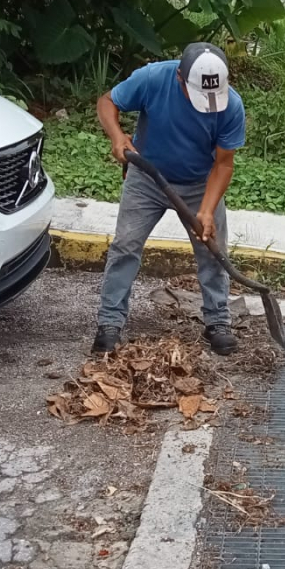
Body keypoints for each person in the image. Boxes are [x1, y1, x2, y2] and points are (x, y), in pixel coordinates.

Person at [91, 42, 244, 356]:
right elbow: (107, 102)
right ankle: (110, 322)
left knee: (213, 253)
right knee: (125, 246)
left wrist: (206, 210)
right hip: (147, 178)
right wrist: (118, 136)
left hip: (199, 183)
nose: (210, 105)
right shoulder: (152, 79)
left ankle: (217, 320)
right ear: (180, 78)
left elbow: (224, 164)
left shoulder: (231, 106)